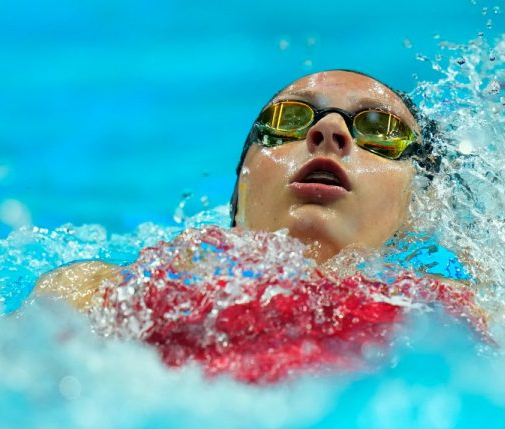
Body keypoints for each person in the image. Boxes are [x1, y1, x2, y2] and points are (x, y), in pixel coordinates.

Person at [35, 69, 444, 310]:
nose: (328, 130)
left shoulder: (456, 314)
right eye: (289, 119)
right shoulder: (95, 291)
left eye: (381, 130)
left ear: (420, 208)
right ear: (239, 190)